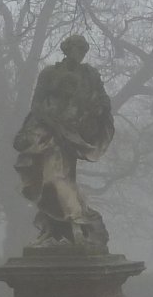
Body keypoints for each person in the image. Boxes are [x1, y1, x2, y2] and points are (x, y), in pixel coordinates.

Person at [13, 34, 115, 247]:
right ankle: (75, 220)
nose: (80, 53)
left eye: (83, 50)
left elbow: (104, 100)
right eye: (77, 48)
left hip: (73, 134)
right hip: (48, 133)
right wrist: (53, 125)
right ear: (67, 49)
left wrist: (97, 110)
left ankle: (69, 225)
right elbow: (37, 104)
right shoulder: (50, 74)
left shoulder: (90, 75)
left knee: (63, 178)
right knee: (51, 179)